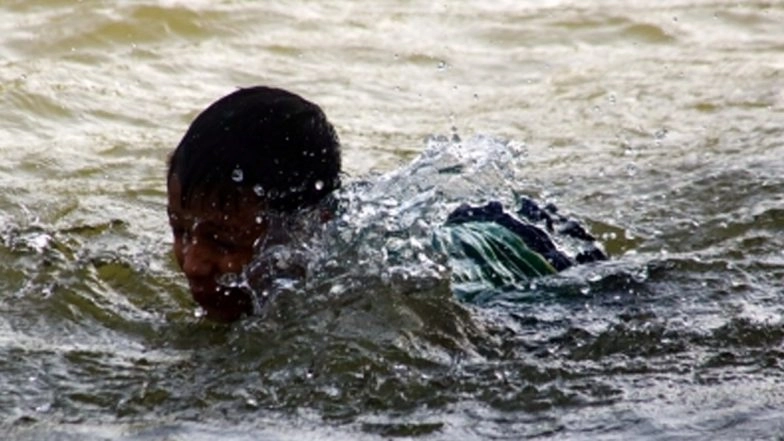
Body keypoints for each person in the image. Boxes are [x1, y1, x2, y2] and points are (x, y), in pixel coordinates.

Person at [166, 86, 605, 322]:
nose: (192, 262)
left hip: (525, 242)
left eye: (223, 241)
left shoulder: (385, 296)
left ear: (314, 226)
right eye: (180, 230)